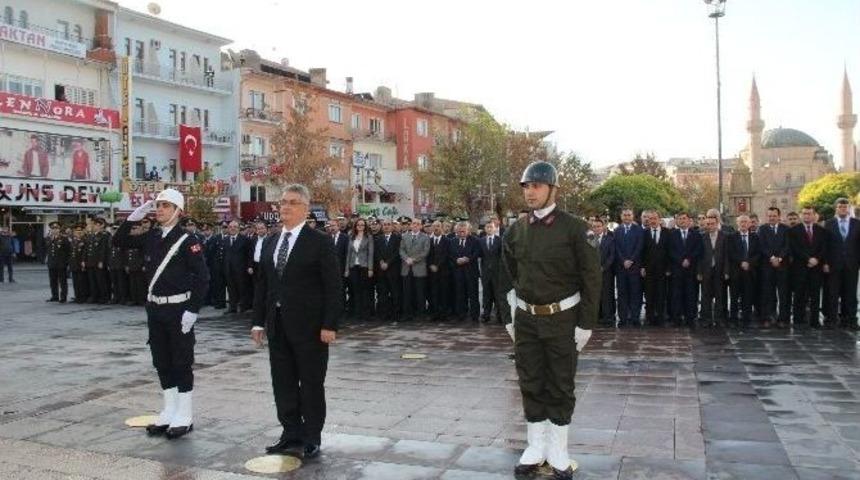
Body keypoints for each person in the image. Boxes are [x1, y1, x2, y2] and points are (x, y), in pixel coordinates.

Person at [502, 161, 600, 480]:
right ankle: (535, 446)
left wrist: (585, 323)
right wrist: (511, 316)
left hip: (562, 319)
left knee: (560, 383)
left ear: (552, 189)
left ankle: (558, 450)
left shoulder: (575, 228)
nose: (530, 192)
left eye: (537, 186)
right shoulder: (516, 230)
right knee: (530, 381)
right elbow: (507, 274)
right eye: (527, 187)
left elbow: (591, 277)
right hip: (528, 319)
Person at [252, 184, 342, 460]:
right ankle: (290, 432)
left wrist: (330, 325)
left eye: (292, 202)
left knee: (311, 383)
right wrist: (258, 322)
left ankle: (311, 436)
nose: (285, 207)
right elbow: (263, 286)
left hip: (311, 328)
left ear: (305, 207)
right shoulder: (270, 241)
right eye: (282, 202)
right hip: (277, 325)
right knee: (283, 382)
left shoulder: (320, 241)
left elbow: (333, 286)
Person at [113, 188, 209, 439]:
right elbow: (119, 241)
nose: (160, 209)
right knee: (162, 361)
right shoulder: (152, 237)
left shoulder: (189, 241)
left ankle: (185, 415)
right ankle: (169, 410)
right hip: (155, 308)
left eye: (166, 206)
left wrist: (192, 310)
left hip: (179, 309)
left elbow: (202, 278)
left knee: (181, 361)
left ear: (178, 211)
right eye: (158, 205)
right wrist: (134, 216)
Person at [824, 198, 860, 330]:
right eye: (840, 207)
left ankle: (850, 319)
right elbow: (825, 245)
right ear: (836, 208)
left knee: (850, 293)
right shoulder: (829, 223)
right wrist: (826, 262)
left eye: (845, 207)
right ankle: (832, 319)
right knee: (833, 293)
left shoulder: (857, 223)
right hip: (834, 265)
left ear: (848, 208)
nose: (843, 209)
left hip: (852, 264)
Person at [789, 206, 827, 328]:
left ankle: (814, 321)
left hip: (816, 268)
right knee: (799, 295)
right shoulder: (794, 230)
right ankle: (798, 320)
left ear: (814, 215)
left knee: (815, 295)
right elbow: (794, 248)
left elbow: (824, 247)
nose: (806, 216)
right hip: (800, 268)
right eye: (804, 214)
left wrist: (817, 259)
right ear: (801, 215)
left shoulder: (821, 230)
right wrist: (808, 258)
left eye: (809, 214)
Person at [758, 207, 790, 328]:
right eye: (770, 215)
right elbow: (762, 246)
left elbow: (787, 246)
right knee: (768, 293)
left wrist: (779, 258)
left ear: (779, 216)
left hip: (783, 266)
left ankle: (782, 319)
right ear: (767, 216)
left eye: (774, 215)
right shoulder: (762, 229)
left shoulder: (785, 229)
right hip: (767, 266)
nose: (772, 218)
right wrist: (772, 258)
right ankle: (768, 317)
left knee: (783, 294)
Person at [727, 215, 760, 328]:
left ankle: (746, 319)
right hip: (736, 272)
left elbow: (758, 253)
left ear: (750, 223)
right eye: (741, 222)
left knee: (748, 296)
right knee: (734, 297)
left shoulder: (755, 237)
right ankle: (733, 319)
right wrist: (741, 262)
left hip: (750, 272)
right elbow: (730, 253)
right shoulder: (731, 237)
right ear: (737, 223)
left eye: (746, 222)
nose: (743, 224)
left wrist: (749, 263)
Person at [614, 209, 643, 327]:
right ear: (621, 216)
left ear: (633, 216)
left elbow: (639, 246)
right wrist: (623, 260)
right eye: (624, 215)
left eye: (629, 215)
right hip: (621, 268)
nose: (626, 217)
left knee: (635, 293)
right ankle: (623, 318)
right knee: (622, 294)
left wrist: (631, 260)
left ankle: (635, 318)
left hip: (634, 267)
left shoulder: (639, 230)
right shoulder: (617, 230)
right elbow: (616, 247)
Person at [698, 216, 729, 328]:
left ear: (717, 224)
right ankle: (706, 319)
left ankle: (719, 319)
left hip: (719, 270)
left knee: (720, 295)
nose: (710, 226)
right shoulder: (702, 237)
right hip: (706, 271)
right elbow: (700, 256)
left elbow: (726, 255)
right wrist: (699, 272)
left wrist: (726, 271)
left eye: (712, 224)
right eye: (708, 224)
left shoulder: (724, 237)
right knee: (706, 296)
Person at [641, 210, 670, 327]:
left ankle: (660, 317)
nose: (652, 221)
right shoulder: (644, 233)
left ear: (659, 219)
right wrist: (642, 267)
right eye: (650, 219)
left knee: (661, 294)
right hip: (648, 270)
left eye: (654, 218)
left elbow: (669, 251)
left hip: (663, 270)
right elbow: (642, 251)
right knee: (649, 294)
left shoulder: (667, 233)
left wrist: (669, 268)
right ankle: (650, 317)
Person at [449, 221, 480, 323]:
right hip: (458, 272)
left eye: (464, 231)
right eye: (459, 231)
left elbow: (477, 252)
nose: (461, 232)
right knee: (459, 294)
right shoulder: (452, 241)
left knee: (473, 295)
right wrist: (456, 260)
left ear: (468, 231)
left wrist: (468, 259)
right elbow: (450, 254)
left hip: (471, 272)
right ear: (456, 231)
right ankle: (460, 314)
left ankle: (475, 316)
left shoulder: (475, 240)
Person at [400, 218, 430, 321]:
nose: (415, 225)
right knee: (407, 293)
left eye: (417, 224)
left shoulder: (425, 237)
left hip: (419, 268)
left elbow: (425, 252)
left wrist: (414, 259)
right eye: (413, 224)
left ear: (421, 226)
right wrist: (406, 258)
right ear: (410, 225)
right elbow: (401, 249)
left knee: (420, 293)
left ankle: (420, 314)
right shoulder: (404, 236)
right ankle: (407, 314)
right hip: (406, 268)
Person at [344, 218, 374, 321]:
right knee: (355, 290)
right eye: (358, 225)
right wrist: (347, 268)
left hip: (364, 266)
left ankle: (366, 314)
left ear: (365, 226)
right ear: (355, 226)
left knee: (364, 290)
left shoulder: (368, 237)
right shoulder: (351, 237)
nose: (360, 227)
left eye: (362, 225)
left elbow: (370, 253)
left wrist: (370, 268)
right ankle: (357, 313)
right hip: (353, 266)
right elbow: (348, 253)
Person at [374, 219, 402, 323]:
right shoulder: (378, 239)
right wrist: (381, 261)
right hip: (381, 270)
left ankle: (396, 315)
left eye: (388, 225)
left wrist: (388, 263)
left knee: (395, 293)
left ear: (392, 226)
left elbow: (397, 253)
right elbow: (377, 252)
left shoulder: (397, 238)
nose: (386, 226)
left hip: (393, 270)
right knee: (382, 294)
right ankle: (384, 315)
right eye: (384, 225)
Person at [222, 220, 251, 314]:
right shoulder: (225, 239)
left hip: (241, 269)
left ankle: (243, 307)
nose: (232, 229)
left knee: (242, 288)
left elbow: (249, 254)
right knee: (231, 289)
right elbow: (224, 255)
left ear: (238, 228)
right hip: (228, 269)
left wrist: (249, 266)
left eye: (235, 227)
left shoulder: (245, 239)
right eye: (230, 227)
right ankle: (232, 307)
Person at [591, 218, 616, 326]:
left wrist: (603, 267)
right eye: (594, 226)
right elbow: (586, 255)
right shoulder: (589, 239)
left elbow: (612, 255)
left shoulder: (609, 239)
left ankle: (608, 317)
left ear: (603, 227)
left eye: (598, 226)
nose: (596, 228)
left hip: (606, 272)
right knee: (595, 295)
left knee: (607, 295)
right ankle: (596, 317)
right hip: (593, 273)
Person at [479, 221, 503, 323]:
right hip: (485, 272)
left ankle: (500, 316)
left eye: (491, 227)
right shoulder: (481, 241)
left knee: (498, 294)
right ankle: (486, 314)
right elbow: (479, 255)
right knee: (486, 294)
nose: (489, 229)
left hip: (497, 272)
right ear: (485, 229)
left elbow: (502, 256)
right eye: (487, 227)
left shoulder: (500, 240)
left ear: (495, 229)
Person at [427, 220, 451, 321]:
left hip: (443, 272)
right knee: (434, 293)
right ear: (432, 228)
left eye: (438, 226)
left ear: (442, 228)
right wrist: (431, 265)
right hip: (432, 272)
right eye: (434, 226)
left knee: (444, 293)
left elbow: (446, 255)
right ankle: (435, 313)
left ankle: (444, 314)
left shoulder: (447, 241)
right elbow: (427, 255)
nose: (436, 228)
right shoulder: (429, 240)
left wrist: (437, 265)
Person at [85, 218, 111, 303]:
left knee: (101, 280)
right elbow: (88, 249)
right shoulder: (91, 235)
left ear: (101, 226)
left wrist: (101, 261)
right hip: (91, 261)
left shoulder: (104, 235)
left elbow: (103, 249)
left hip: (98, 261)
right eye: (94, 224)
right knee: (92, 281)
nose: (94, 226)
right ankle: (94, 296)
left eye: (97, 225)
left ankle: (104, 297)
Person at [46, 222, 70, 302]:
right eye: (53, 229)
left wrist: (66, 262)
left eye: (56, 229)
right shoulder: (49, 238)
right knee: (53, 281)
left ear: (59, 229)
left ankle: (63, 297)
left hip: (61, 263)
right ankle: (54, 296)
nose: (55, 230)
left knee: (62, 281)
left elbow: (68, 251)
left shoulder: (64, 239)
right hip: (51, 263)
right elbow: (48, 250)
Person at [69, 224, 89, 301]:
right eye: (77, 231)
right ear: (74, 232)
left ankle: (83, 297)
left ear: (83, 231)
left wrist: (84, 262)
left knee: (82, 282)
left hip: (81, 263)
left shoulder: (85, 240)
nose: (78, 232)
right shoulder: (72, 241)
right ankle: (77, 296)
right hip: (74, 264)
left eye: (80, 231)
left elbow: (86, 252)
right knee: (75, 282)